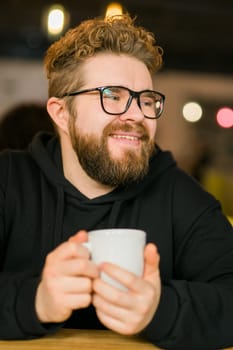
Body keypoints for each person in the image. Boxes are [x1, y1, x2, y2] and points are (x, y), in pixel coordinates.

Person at [0, 14, 233, 350]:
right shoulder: (9, 181)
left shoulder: (180, 196)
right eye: (112, 95)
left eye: (147, 100)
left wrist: (160, 309)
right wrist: (35, 301)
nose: (137, 114)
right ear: (61, 113)